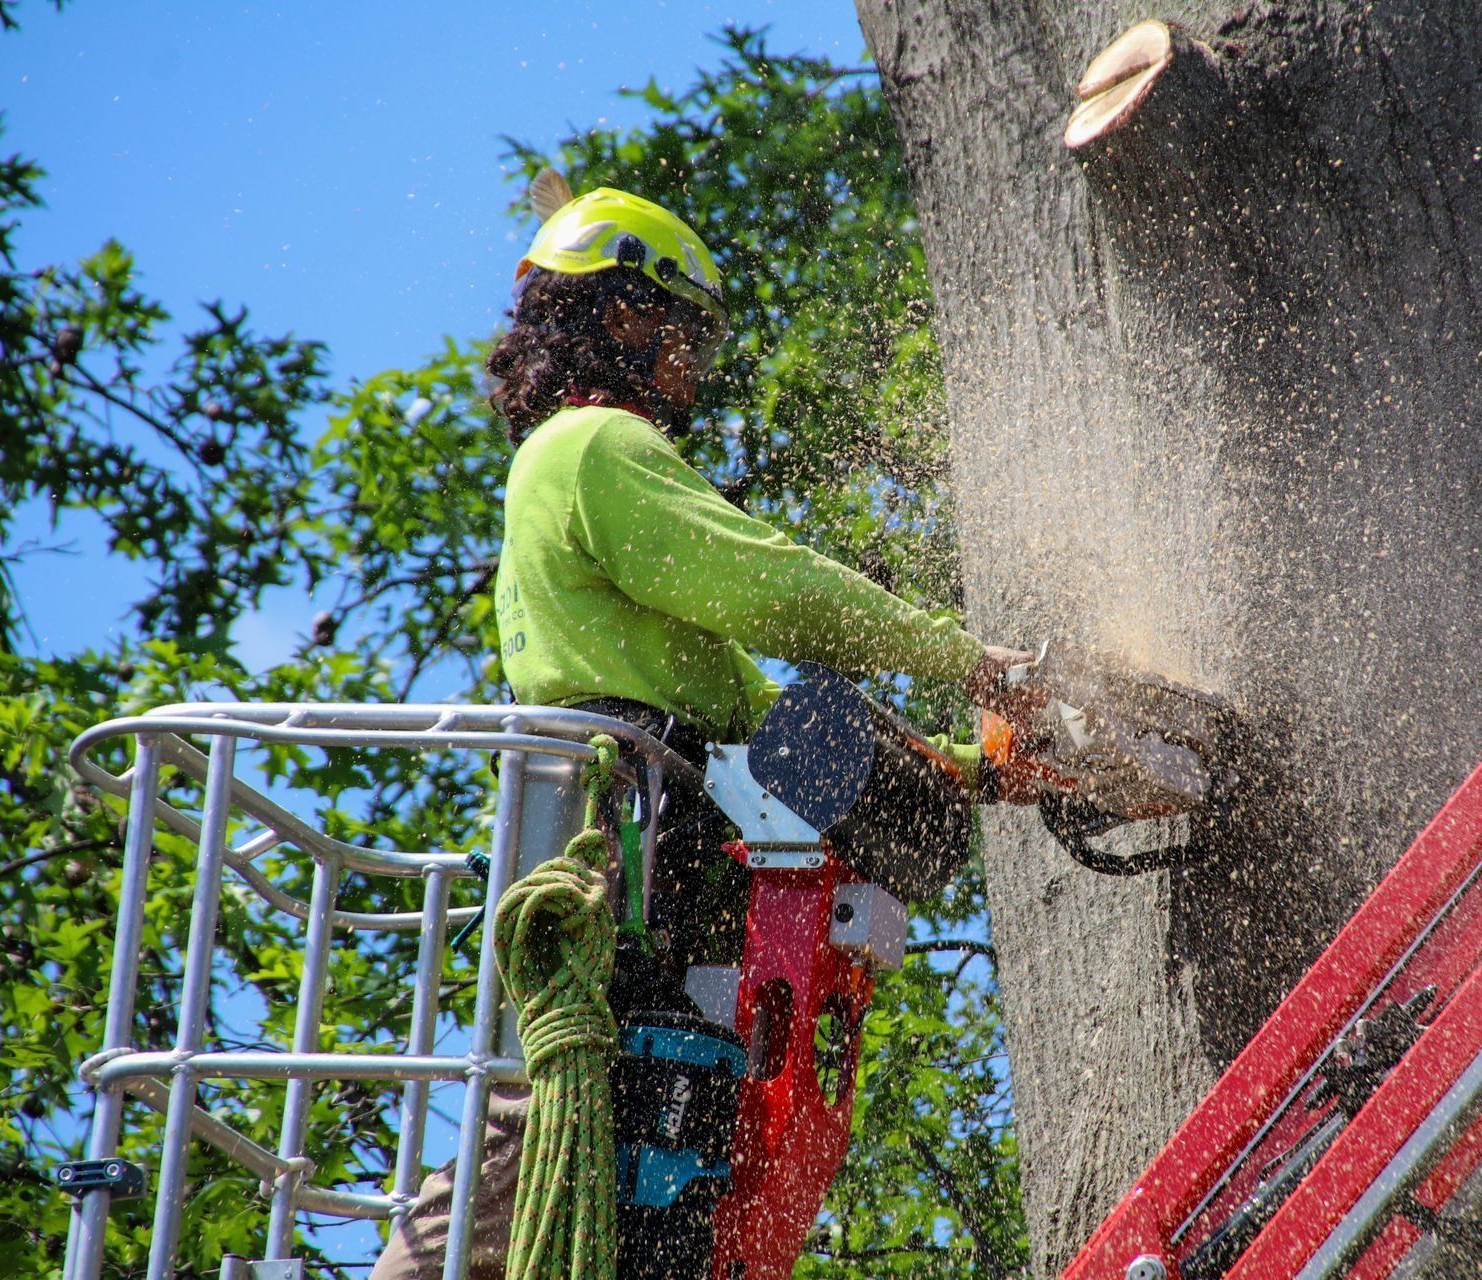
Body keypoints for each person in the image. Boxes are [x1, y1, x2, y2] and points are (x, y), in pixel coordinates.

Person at [370, 177, 1030, 1280]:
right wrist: (970, 660)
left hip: (645, 915)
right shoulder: (594, 449)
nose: (692, 365)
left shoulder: (567, 474)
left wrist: (970, 769)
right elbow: (770, 587)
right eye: (685, 331)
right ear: (623, 312)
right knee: (545, 1158)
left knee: (606, 1182)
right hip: (622, 893)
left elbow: (756, 714)